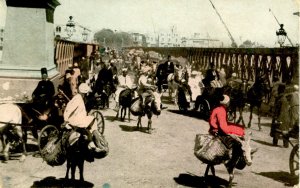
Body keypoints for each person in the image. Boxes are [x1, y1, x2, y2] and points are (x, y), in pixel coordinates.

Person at [209, 94, 253, 166]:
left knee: (239, 128)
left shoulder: (217, 109)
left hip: (215, 128)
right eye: (229, 102)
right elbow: (223, 127)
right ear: (226, 103)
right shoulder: (221, 111)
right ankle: (245, 157)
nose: (229, 103)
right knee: (241, 133)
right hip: (218, 130)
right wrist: (234, 131)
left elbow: (214, 122)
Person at [63, 83, 102, 152]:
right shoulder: (78, 99)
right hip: (75, 120)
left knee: (90, 121)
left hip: (76, 118)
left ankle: (92, 142)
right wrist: (66, 120)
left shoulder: (77, 97)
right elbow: (69, 109)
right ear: (85, 93)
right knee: (93, 120)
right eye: (86, 93)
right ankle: (96, 143)